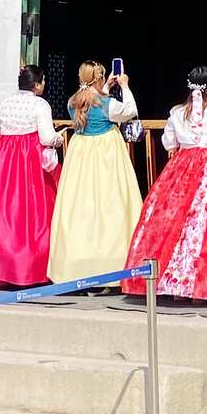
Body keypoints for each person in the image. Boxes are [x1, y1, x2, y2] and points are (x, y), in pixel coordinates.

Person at [123, 65, 207, 301]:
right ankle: (199, 285)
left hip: (181, 169)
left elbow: (169, 143)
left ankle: (174, 283)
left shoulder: (177, 112)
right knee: (204, 222)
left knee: (173, 221)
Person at [0, 64, 62, 287]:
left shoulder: (6, 102)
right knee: (30, 213)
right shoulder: (40, 104)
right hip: (28, 159)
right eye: (42, 81)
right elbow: (46, 137)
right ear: (36, 84)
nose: (43, 84)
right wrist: (59, 139)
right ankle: (27, 268)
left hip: (3, 157)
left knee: (0, 211)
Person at [47, 60, 143, 284]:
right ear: (98, 78)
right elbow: (129, 111)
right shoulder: (107, 103)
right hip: (105, 153)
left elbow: (92, 101)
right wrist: (125, 86)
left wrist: (106, 86)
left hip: (81, 153)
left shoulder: (73, 102)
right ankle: (110, 265)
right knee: (110, 204)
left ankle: (76, 266)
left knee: (80, 206)